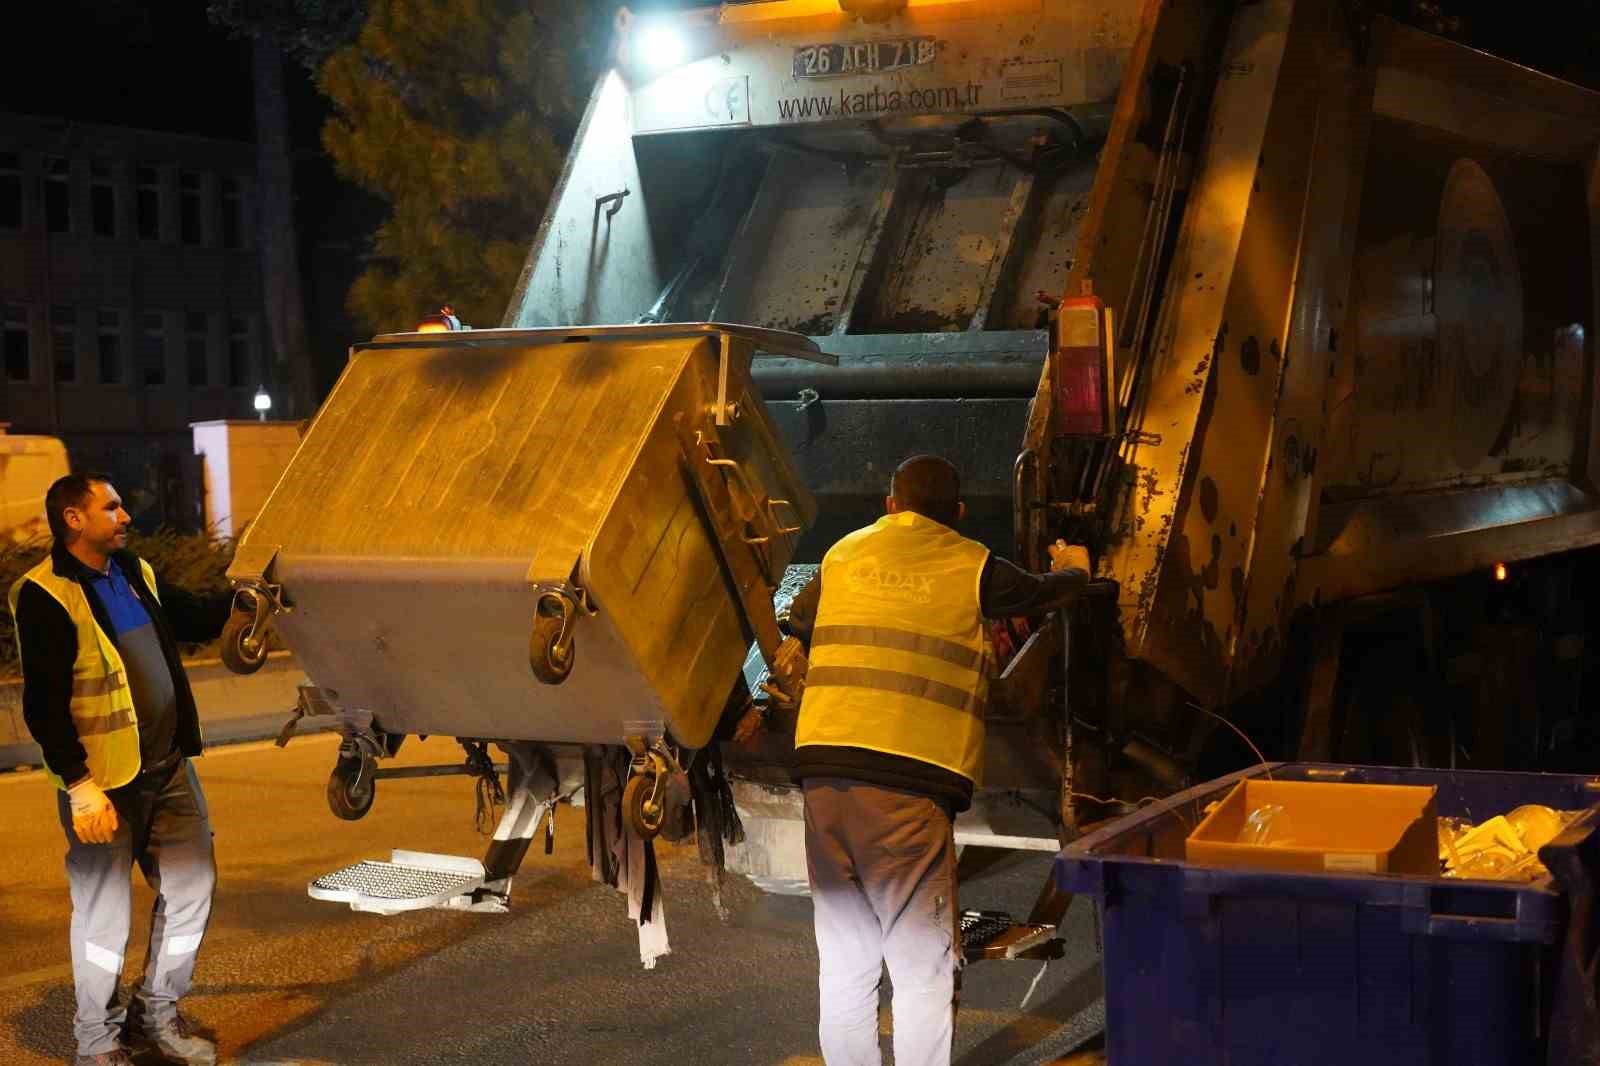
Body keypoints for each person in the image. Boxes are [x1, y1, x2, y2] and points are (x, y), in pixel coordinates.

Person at [785, 454, 1090, 1066]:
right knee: (922, 965)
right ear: (957, 513)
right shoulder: (970, 562)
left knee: (846, 964)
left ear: (889, 505)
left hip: (823, 774)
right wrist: (1075, 569)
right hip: (906, 784)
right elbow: (1041, 595)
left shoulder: (843, 554)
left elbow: (799, 618)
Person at [9, 474, 226, 1066]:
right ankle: (96, 1045)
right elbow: (43, 704)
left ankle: (155, 1018)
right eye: (112, 506)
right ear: (74, 519)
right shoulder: (47, 593)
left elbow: (198, 618)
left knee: (192, 891)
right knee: (104, 920)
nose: (126, 514)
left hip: (167, 768)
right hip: (102, 784)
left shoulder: (134, 572)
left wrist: (251, 593)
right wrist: (79, 787)